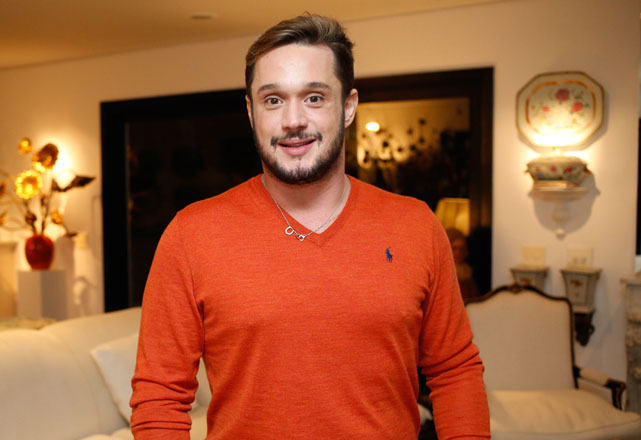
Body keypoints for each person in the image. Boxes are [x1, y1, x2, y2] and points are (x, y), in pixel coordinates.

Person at [130, 14, 490, 440]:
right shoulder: (191, 235)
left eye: (314, 97)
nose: (293, 120)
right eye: (273, 100)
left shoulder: (416, 226)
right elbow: (159, 395)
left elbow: (454, 370)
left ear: (348, 106)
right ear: (251, 112)